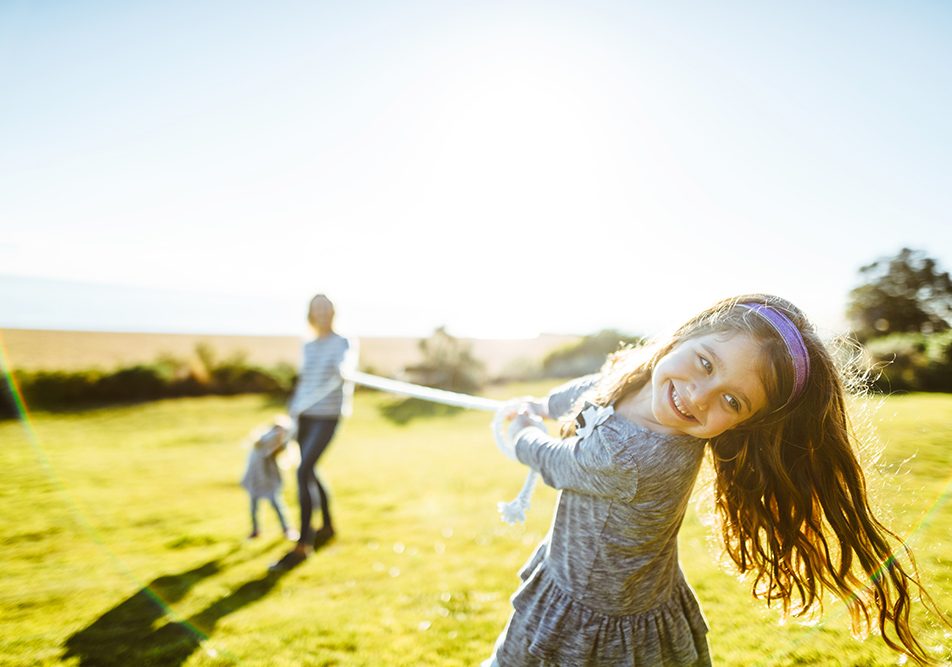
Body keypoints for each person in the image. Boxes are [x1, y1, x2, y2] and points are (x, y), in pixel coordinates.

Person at [486, 294, 948, 666]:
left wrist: (523, 430)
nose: (697, 396)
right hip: (572, 574)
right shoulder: (644, 375)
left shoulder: (635, 457)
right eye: (705, 363)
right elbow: (595, 389)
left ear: (742, 423)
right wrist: (545, 404)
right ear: (685, 335)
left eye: (731, 401)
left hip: (601, 612)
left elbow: (557, 463)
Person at [270, 294, 354, 572]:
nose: (322, 313)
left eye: (326, 308)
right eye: (317, 309)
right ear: (311, 313)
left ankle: (302, 545)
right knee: (310, 469)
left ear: (333, 312)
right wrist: (291, 412)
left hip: (327, 416)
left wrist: (343, 371)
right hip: (303, 415)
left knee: (303, 470)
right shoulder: (307, 345)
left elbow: (346, 365)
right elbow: (305, 382)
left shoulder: (342, 342)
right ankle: (327, 527)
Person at [240, 416, 297, 541]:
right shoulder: (261, 437)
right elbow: (255, 443)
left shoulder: (281, 443)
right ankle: (255, 530)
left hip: (268, 478)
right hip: (255, 478)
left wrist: (281, 438)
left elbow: (279, 450)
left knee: (276, 504)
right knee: (253, 507)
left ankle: (287, 528)